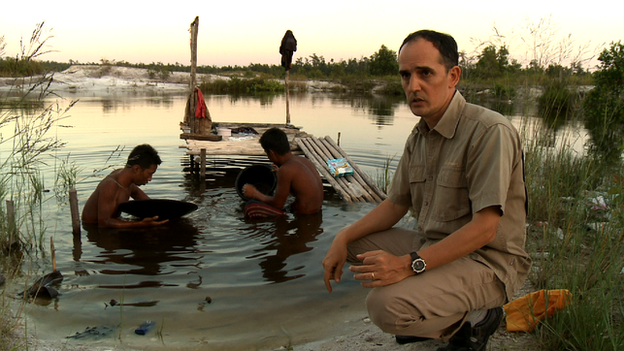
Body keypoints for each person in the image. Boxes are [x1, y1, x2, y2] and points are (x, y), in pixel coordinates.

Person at [322, 30, 531, 351]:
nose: (413, 86)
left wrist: (407, 265)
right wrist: (342, 237)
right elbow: (395, 204)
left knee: (384, 305)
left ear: (453, 76)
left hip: (487, 263)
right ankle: (438, 311)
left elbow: (486, 228)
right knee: (357, 245)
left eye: (425, 73)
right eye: (406, 75)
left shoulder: (489, 131)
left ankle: (477, 319)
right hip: (435, 244)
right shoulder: (419, 136)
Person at [82, 144, 169, 228]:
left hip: (113, 223)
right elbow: (104, 223)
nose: (150, 179)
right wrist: (141, 224)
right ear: (136, 169)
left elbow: (150, 205)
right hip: (93, 229)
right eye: (149, 174)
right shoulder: (111, 186)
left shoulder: (128, 182)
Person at [243, 127, 323, 215]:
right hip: (316, 211)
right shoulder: (304, 161)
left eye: (267, 153)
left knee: (251, 207)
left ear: (272, 152)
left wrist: (255, 193)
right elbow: (301, 190)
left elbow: (278, 204)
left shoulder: (286, 170)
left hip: (304, 215)